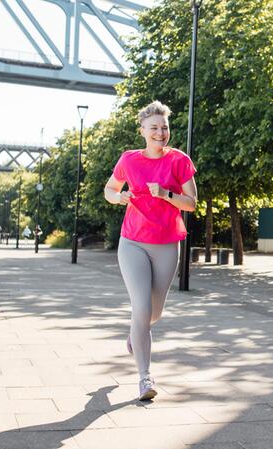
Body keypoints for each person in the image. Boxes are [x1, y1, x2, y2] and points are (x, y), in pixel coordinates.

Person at [104, 101, 197, 401]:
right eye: (154, 127)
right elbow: (109, 189)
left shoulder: (179, 161)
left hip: (167, 243)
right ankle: (145, 377)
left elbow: (191, 203)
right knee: (141, 309)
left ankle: (135, 334)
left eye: (164, 127)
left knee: (153, 313)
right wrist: (121, 197)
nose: (160, 132)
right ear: (142, 130)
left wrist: (167, 194)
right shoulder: (129, 160)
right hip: (132, 242)